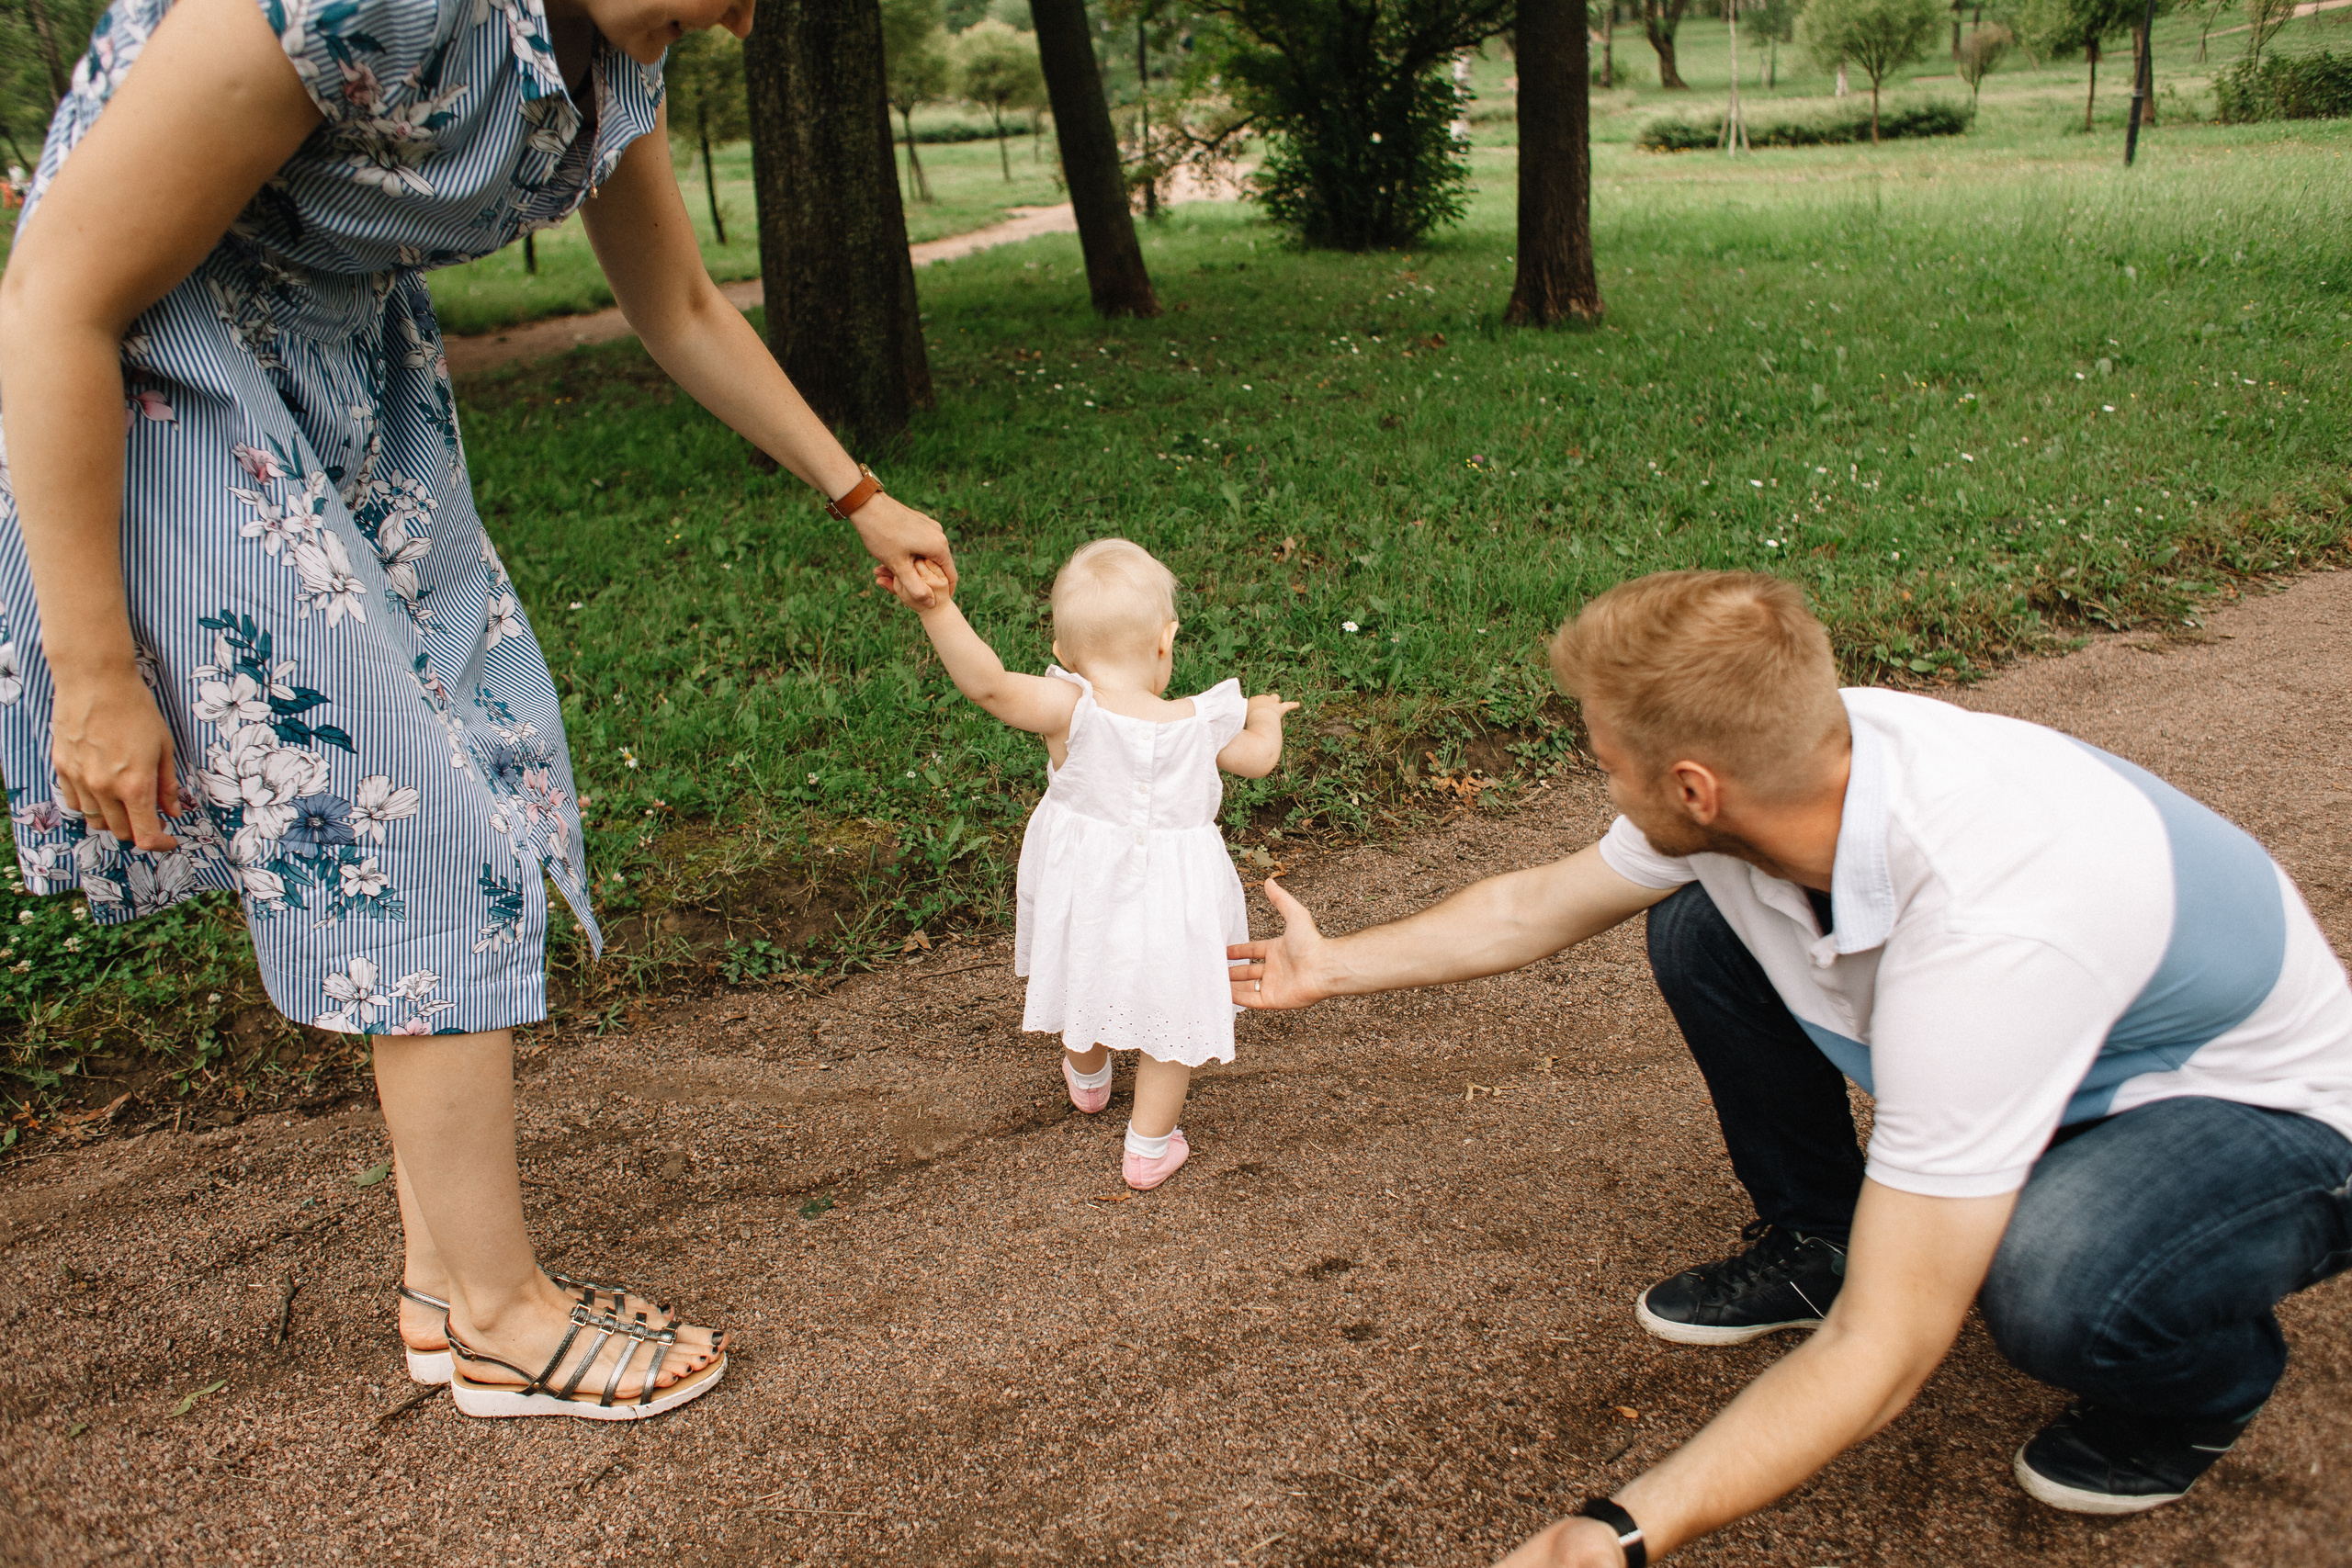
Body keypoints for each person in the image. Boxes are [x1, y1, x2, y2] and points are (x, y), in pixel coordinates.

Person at [0, 0, 958, 1420]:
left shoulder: (620, 59)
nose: (753, 16)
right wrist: (92, 668)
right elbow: (54, 291)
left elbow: (681, 304)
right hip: (165, 389)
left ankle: (447, 1283)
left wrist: (859, 494)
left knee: (494, 763)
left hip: (353, 377)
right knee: (413, 826)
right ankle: (507, 1318)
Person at [1229, 570, 2352, 1561]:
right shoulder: (1798, 756)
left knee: (2051, 1278)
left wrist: (1618, 1529)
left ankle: (2206, 1390)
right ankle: (1823, 1235)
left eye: (1605, 765)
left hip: (2263, 1112)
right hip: (2054, 1042)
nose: (1603, 785)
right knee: (1700, 923)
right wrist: (1330, 967)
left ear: (1692, 788)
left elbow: (1888, 1347)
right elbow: (1537, 906)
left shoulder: (1987, 927)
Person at [883, 541, 1295, 1189]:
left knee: (1084, 963)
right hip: (1177, 898)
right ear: (1166, 640)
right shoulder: (1201, 723)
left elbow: (988, 684)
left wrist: (936, 608)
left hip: (1086, 886)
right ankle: (1148, 1147)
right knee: (1173, 1009)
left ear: (1063, 655)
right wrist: (1265, 715)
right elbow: (1261, 757)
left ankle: (1089, 1076)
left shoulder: (1068, 709)